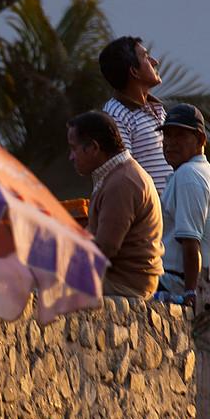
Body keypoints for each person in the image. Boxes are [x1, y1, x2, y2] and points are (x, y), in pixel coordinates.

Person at [68, 110, 161, 299]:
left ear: (93, 148)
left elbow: (104, 249)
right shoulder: (116, 175)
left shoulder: (122, 182)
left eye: (74, 148)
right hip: (123, 279)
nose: (71, 157)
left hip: (124, 284)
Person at [156, 104, 210, 304]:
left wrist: (189, 294)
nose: (170, 143)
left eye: (179, 136)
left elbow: (190, 242)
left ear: (200, 140)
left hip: (177, 282)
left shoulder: (188, 175)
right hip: (203, 284)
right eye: (167, 136)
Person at [99, 35, 171, 190]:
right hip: (150, 212)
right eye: (146, 57)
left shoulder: (157, 109)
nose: (154, 62)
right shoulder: (115, 114)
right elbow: (123, 174)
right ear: (134, 72)